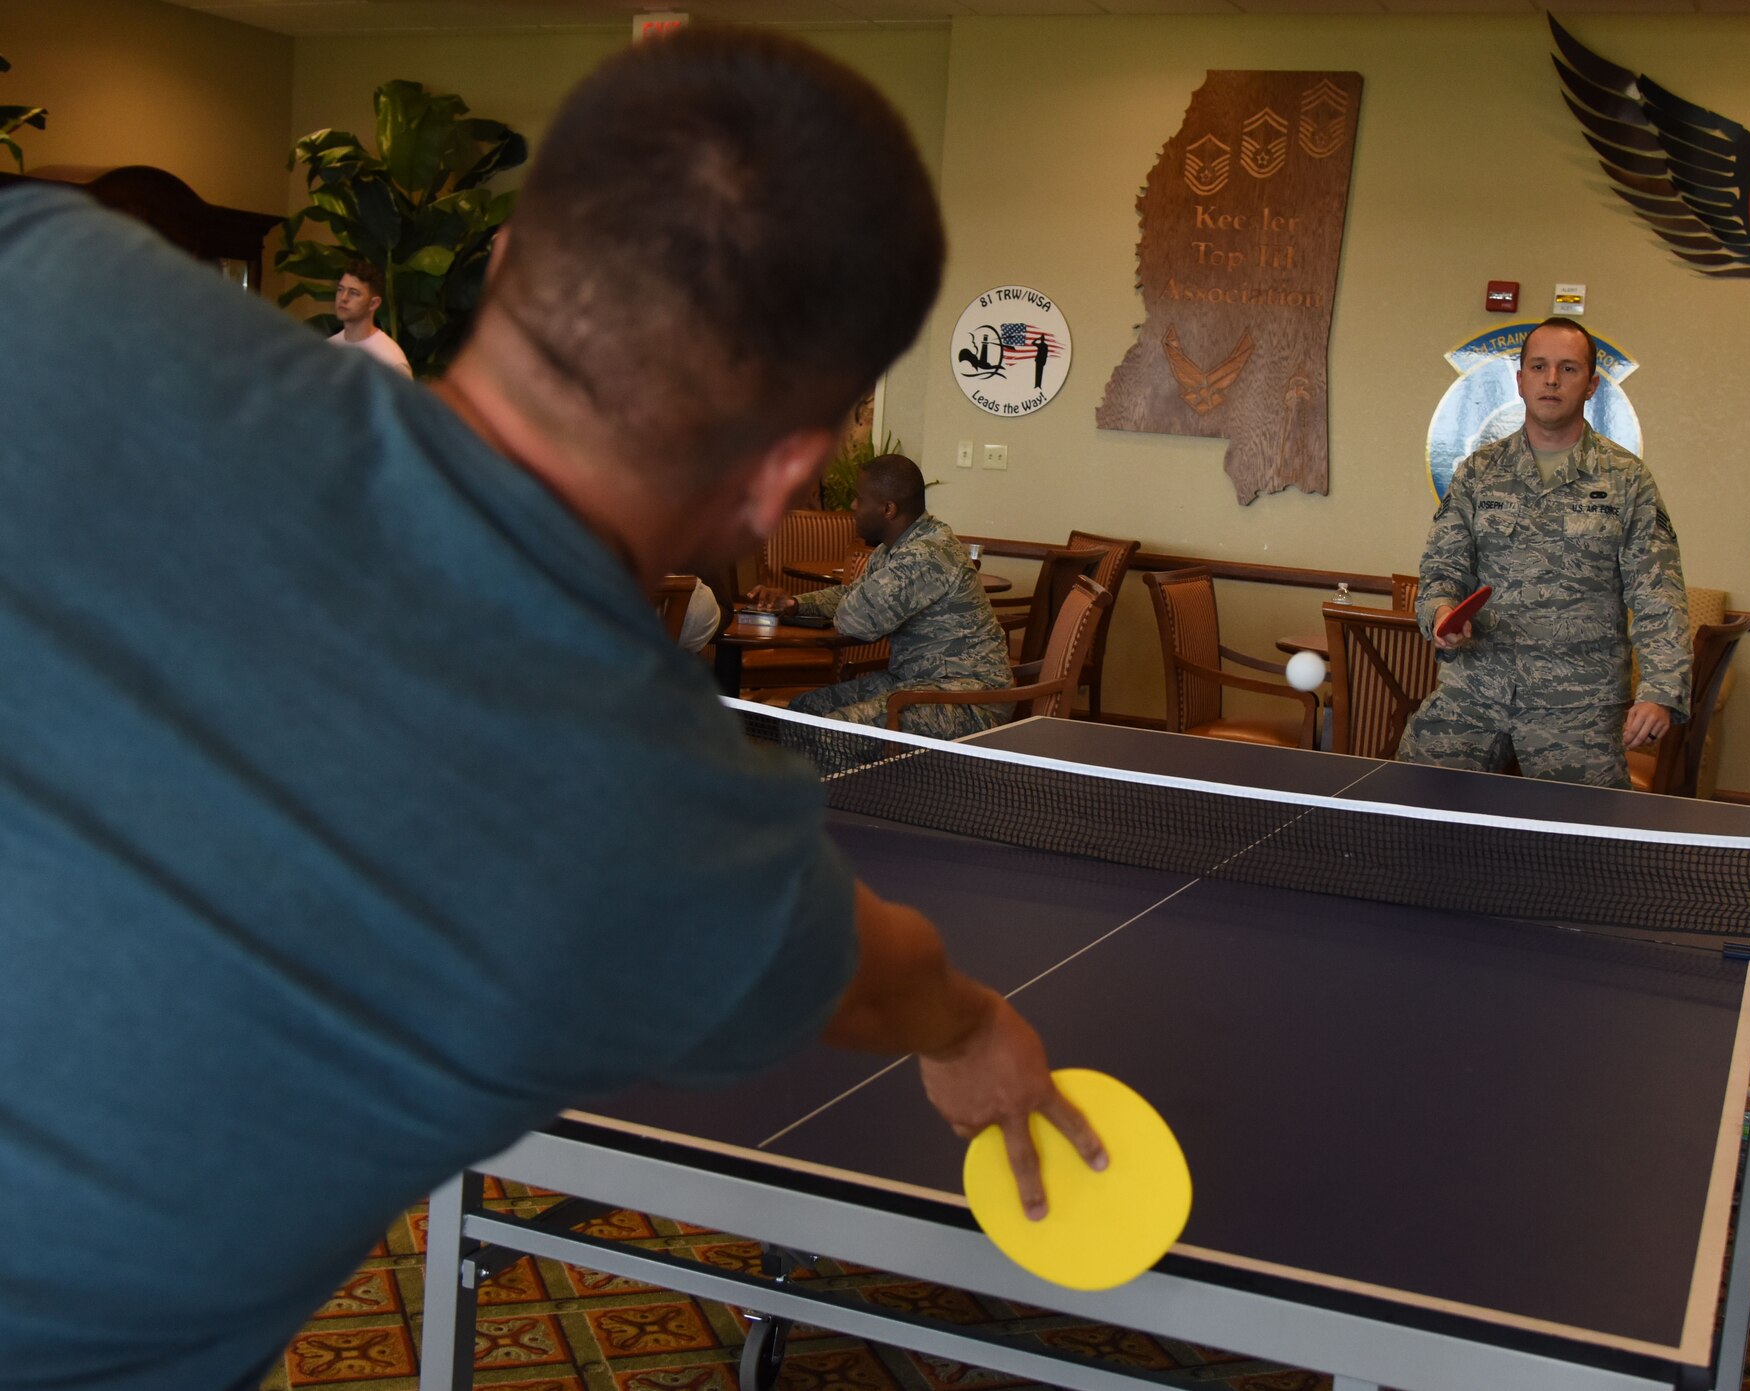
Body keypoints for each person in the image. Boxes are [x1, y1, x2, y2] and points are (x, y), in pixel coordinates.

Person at [0, 31, 1097, 1391]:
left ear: (509, 261)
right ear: (789, 475)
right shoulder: (677, 842)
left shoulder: (51, 271)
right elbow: (882, 974)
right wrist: (974, 1027)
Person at [1398, 317, 1690, 788]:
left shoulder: (1627, 479)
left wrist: (1660, 690)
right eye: (1538, 366)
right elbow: (1442, 568)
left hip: (1578, 704)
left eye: (1568, 369)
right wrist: (1440, 612)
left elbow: (1658, 595)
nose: (1551, 379)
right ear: (1520, 380)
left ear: (1592, 385)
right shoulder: (1478, 471)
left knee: (1581, 846)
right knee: (1410, 807)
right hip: (1475, 688)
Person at [747, 455, 1014, 739]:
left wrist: (854, 605)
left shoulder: (925, 554)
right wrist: (796, 604)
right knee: (804, 710)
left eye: (860, 499)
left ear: (888, 509)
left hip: (967, 699)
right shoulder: (891, 549)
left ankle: (837, 784)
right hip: (914, 683)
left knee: (831, 735)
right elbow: (852, 595)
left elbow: (854, 621)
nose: (853, 506)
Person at [326, 257, 413, 376]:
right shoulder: (328, 347)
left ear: (373, 303)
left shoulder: (391, 360)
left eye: (353, 293)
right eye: (340, 289)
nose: (343, 298)